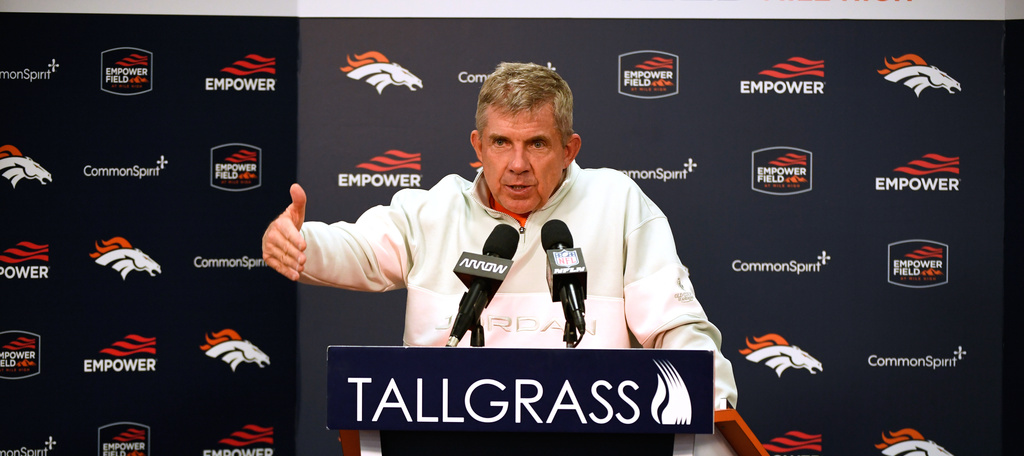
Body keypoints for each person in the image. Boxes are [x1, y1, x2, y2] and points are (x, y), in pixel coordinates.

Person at [262, 62, 737, 406]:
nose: (517, 165)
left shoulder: (618, 203)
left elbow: (680, 331)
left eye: (537, 144)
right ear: (478, 146)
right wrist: (300, 244)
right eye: (501, 143)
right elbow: (359, 250)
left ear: (569, 149)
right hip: (447, 454)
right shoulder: (434, 210)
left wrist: (715, 412)